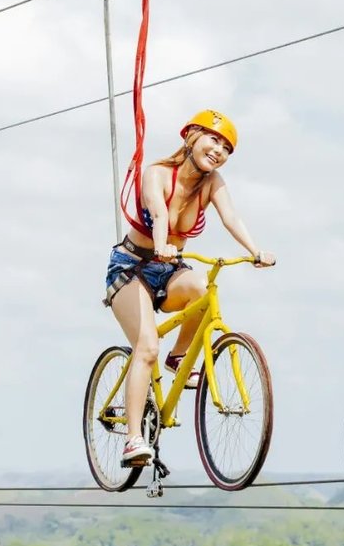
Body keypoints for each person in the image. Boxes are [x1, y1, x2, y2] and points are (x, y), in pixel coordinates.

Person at [104, 109, 275, 466]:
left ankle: (180, 355)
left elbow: (231, 217)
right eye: (214, 139)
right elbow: (160, 214)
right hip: (132, 267)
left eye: (227, 148)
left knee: (201, 287)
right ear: (192, 135)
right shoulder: (158, 173)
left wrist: (255, 251)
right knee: (146, 348)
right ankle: (134, 439)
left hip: (170, 270)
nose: (219, 151)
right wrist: (162, 243)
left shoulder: (213, 184)